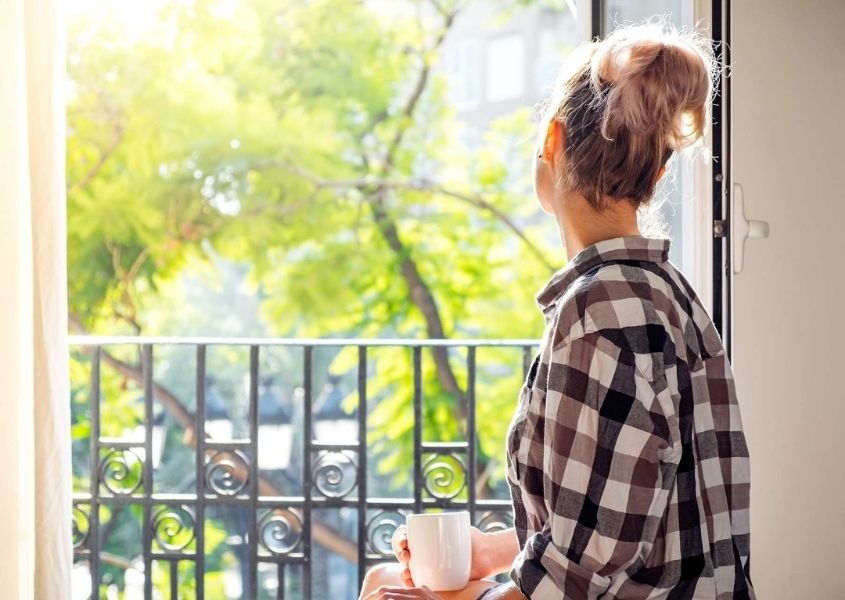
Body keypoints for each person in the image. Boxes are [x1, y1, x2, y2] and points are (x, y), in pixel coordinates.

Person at [359, 18, 754, 600]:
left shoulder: (600, 313)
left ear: (552, 140)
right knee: (389, 579)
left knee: (382, 589)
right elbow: (621, 508)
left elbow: (579, 569)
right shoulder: (666, 293)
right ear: (658, 172)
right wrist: (489, 550)